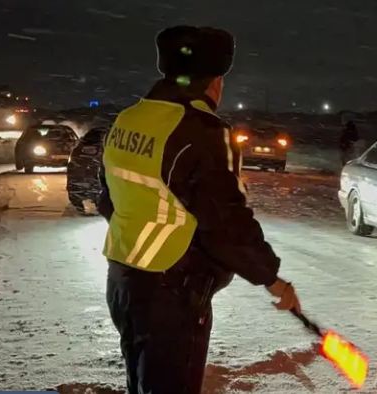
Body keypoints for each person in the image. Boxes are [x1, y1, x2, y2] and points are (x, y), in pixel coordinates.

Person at [97, 25, 301, 394]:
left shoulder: (129, 119)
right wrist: (270, 277)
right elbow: (224, 222)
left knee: (141, 383)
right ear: (216, 82)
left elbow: (106, 197)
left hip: (123, 281)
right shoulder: (200, 130)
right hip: (171, 293)